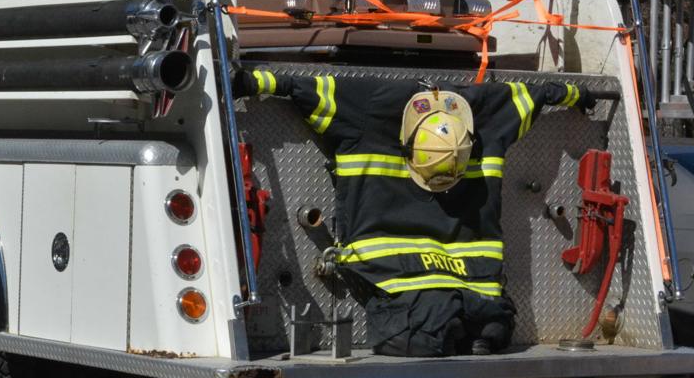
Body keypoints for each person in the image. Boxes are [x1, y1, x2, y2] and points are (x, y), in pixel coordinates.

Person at [234, 69, 598, 357]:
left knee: (413, 336)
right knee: (488, 328)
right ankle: (472, 332)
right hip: (483, 296)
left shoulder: (368, 106)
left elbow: (301, 88)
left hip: (400, 292)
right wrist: (575, 94)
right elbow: (536, 96)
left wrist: (252, 82)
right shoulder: (487, 112)